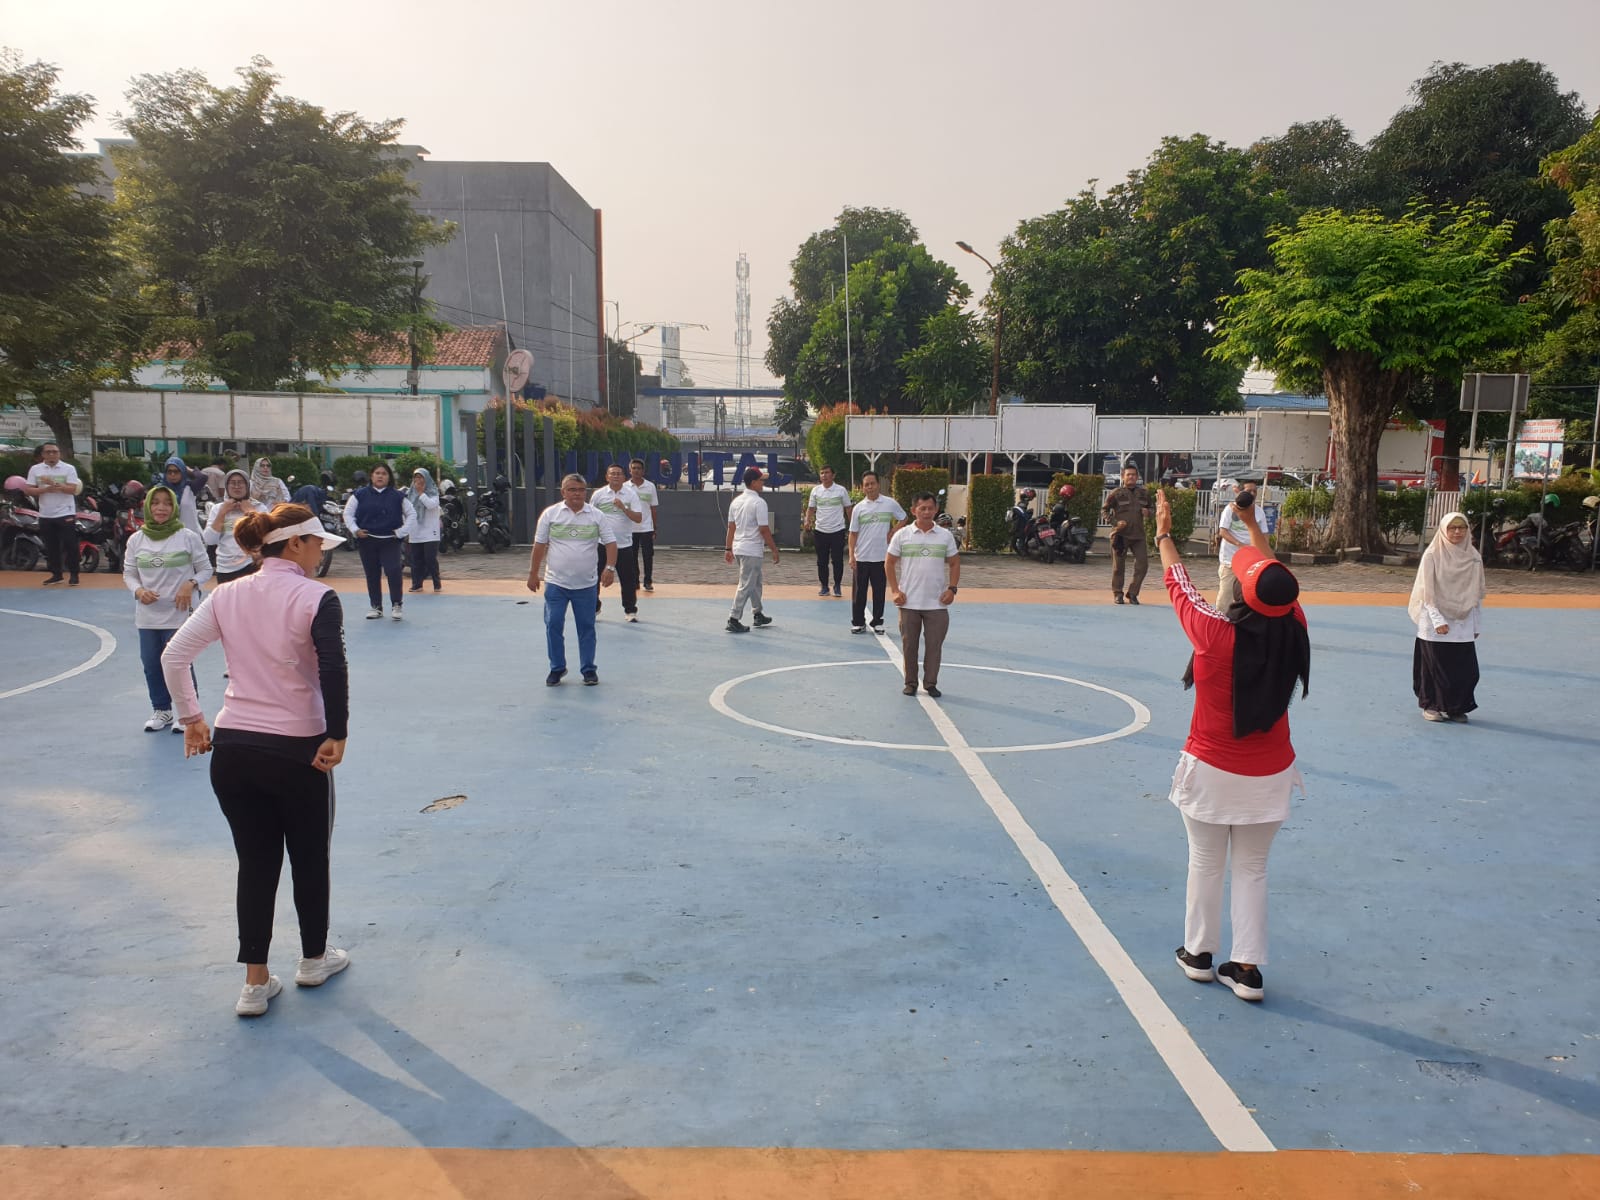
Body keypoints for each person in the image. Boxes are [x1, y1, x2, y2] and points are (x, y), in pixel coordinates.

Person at [160, 503, 351, 1017]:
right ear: (294, 545)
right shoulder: (316, 597)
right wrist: (338, 733)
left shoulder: (227, 594)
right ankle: (313, 958)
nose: (319, 556)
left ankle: (254, 982)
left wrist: (193, 717)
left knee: (256, 861)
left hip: (235, 748)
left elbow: (174, 657)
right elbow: (332, 669)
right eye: (316, 545)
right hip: (298, 748)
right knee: (310, 857)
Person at [1155, 488, 1310, 1004]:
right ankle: (1247, 970)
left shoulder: (1214, 634)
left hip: (1211, 767)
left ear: (1245, 595)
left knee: (1205, 861)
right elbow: (1276, 581)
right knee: (1252, 869)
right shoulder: (1294, 628)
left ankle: (1198, 954)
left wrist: (1164, 532)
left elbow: (1179, 583)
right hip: (1269, 774)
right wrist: (1253, 525)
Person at [124, 485, 213, 732]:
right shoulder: (136, 539)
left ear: (174, 508)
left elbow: (206, 569)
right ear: (148, 507)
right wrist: (139, 591)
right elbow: (129, 573)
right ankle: (161, 711)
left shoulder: (188, 537)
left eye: (167, 503)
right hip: (147, 616)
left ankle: (188, 714)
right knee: (151, 663)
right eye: (156, 503)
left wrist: (190, 584)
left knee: (179, 663)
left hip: (179, 614)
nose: (161, 508)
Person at [528, 473, 617, 685]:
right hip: (556, 584)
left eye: (580, 490)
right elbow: (539, 545)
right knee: (553, 625)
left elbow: (611, 543)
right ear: (563, 492)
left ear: (585, 492)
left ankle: (588, 669)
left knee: (587, 627)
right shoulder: (551, 515)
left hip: (586, 585)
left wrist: (610, 568)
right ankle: (557, 668)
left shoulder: (596, 515)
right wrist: (533, 573)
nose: (577, 494)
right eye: (572, 490)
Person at [1409, 512, 1485, 723]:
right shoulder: (1432, 555)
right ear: (1443, 530)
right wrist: (1438, 620)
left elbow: (1476, 594)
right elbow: (1427, 591)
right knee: (1435, 667)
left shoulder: (1474, 557)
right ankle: (1431, 705)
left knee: (1465, 669)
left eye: (1462, 528)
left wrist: (1476, 623)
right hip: (1435, 620)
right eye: (1452, 528)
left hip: (1463, 620)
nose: (1457, 532)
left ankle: (1456, 707)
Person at [885, 492, 961, 697]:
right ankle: (910, 682)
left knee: (934, 646)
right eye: (922, 508)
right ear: (913, 511)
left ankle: (930, 683)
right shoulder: (902, 535)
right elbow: (889, 562)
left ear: (936, 510)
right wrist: (894, 590)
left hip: (937, 603)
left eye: (930, 508)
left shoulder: (945, 536)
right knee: (909, 645)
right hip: (909, 601)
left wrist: (952, 589)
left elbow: (954, 563)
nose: (927, 512)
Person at [343, 462, 415, 620]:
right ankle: (376, 606)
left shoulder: (398, 496)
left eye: (384, 473)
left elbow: (412, 514)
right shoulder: (360, 495)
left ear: (389, 477)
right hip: (367, 541)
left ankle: (397, 604)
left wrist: (401, 532)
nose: (380, 476)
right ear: (371, 476)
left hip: (390, 541)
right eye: (377, 473)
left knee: (393, 571)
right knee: (372, 574)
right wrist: (355, 530)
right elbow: (348, 514)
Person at [847, 471, 906, 634]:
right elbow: (852, 534)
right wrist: (852, 555)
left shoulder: (890, 503)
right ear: (862, 487)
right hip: (862, 557)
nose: (870, 487)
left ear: (878, 484)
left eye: (872, 483)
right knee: (859, 593)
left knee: (879, 591)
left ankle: (878, 621)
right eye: (866, 484)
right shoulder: (859, 508)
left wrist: (893, 531)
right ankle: (858, 622)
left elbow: (904, 518)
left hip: (882, 557)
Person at [725, 466, 779, 633]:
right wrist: (774, 550)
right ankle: (733, 618)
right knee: (747, 584)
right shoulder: (759, 502)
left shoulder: (736, 501)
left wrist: (728, 548)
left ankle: (757, 613)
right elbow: (764, 529)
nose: (763, 483)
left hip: (739, 547)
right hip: (752, 549)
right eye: (761, 480)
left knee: (754, 582)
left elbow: (731, 528)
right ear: (754, 482)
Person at [22, 441, 83, 586]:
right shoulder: (35, 470)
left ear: (59, 453)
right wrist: (44, 490)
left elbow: (73, 489)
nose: (52, 454)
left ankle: (74, 574)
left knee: (70, 544)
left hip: (65, 512)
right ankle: (56, 574)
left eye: (55, 452)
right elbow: (29, 489)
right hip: (45, 514)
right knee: (51, 546)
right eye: (48, 452)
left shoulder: (68, 468)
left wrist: (59, 486)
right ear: (43, 454)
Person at [591, 463, 642, 621]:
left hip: (624, 545)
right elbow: (589, 517)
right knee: (594, 578)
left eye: (618, 473)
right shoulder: (598, 495)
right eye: (612, 473)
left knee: (628, 579)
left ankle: (630, 610)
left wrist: (623, 508)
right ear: (607, 477)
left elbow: (639, 518)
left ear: (624, 477)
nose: (615, 476)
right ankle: (594, 607)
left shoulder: (631, 495)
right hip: (601, 544)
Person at [205, 469, 269, 583]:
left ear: (247, 485)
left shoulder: (259, 507)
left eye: (240, 482)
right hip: (225, 568)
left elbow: (265, 536)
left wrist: (250, 513)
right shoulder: (218, 509)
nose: (236, 486)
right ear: (226, 486)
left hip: (251, 564)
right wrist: (222, 513)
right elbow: (210, 540)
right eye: (232, 483)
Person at [1102, 464, 1152, 604]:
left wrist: (1149, 513)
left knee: (1143, 565)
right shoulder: (1116, 493)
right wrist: (1115, 522)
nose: (1131, 477)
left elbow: (1152, 509)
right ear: (1123, 477)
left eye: (1133, 475)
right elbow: (1104, 511)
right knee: (1118, 567)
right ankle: (1118, 593)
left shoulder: (1144, 493)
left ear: (1137, 477)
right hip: (1121, 535)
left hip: (1138, 536)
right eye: (1128, 475)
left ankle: (1133, 593)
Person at [805, 464, 852, 598]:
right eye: (822, 473)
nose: (824, 475)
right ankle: (824, 586)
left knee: (837, 560)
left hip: (837, 530)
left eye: (827, 473)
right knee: (821, 561)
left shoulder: (841, 490)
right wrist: (807, 521)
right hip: (820, 530)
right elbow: (811, 509)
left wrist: (853, 526)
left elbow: (848, 509)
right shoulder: (815, 491)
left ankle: (837, 585)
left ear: (833, 475)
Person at [1214, 479, 1258, 609]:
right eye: (1248, 490)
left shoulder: (1259, 511)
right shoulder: (1230, 509)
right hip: (1230, 560)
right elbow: (1222, 531)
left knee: (1249, 594)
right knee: (1225, 595)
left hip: (1251, 562)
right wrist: (1240, 545)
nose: (1252, 493)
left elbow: (1263, 535)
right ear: (1239, 492)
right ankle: (1221, 620)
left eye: (1254, 491)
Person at [407, 468, 443, 593]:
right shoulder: (410, 494)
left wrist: (421, 493)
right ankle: (417, 584)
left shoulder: (433, 493)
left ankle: (436, 583)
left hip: (430, 533)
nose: (418, 480)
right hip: (415, 531)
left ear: (426, 478)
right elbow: (406, 511)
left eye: (421, 477)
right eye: (416, 477)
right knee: (415, 559)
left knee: (430, 559)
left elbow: (430, 505)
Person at [628, 458, 661, 591]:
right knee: (632, 556)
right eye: (634, 468)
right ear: (630, 470)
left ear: (643, 471)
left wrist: (654, 527)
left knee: (648, 555)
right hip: (630, 528)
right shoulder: (625, 487)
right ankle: (634, 581)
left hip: (646, 527)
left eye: (639, 468)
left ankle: (648, 581)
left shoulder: (650, 486)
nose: (636, 471)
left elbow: (653, 508)